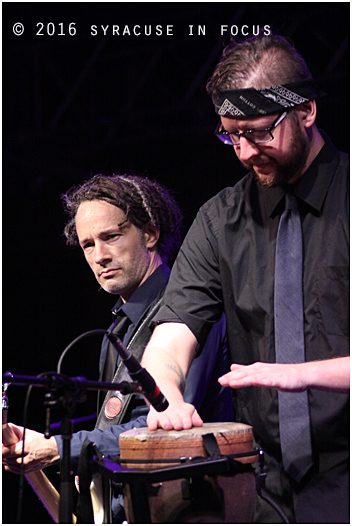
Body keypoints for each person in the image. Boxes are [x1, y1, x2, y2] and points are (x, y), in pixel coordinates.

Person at [140, 33, 350, 523]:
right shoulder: (221, 220)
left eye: (258, 132)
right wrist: (166, 391)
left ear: (306, 111)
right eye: (231, 135)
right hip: (265, 488)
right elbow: (173, 331)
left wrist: (300, 374)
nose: (243, 151)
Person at [2, 174, 233, 522]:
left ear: (150, 233)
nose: (100, 256)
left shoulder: (192, 315)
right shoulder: (117, 331)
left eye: (111, 237)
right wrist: (30, 453)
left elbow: (167, 428)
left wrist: (54, 449)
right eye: (88, 245)